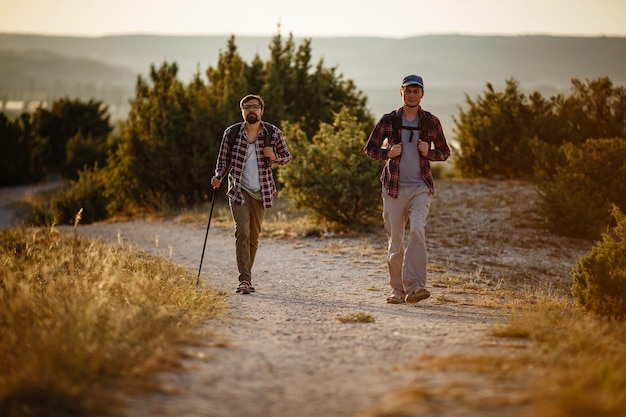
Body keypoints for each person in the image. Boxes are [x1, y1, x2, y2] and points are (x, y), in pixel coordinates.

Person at [364, 74, 450, 304]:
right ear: (401, 92)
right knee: (396, 241)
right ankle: (397, 291)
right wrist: (387, 153)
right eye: (408, 90)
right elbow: (369, 149)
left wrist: (428, 152)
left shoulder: (431, 122)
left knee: (417, 231)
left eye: (416, 91)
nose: (412, 94)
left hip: (420, 187)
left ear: (422, 94)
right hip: (393, 188)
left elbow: (445, 152)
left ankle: (415, 287)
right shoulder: (388, 120)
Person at [211, 94, 292, 294]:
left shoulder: (272, 132)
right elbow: (223, 161)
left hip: (262, 192)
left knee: (253, 238)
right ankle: (244, 280)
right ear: (242, 111)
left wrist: (274, 156)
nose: (251, 110)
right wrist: (218, 176)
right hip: (238, 190)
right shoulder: (232, 133)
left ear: (262, 110)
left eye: (255, 107)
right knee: (242, 232)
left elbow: (287, 157)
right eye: (247, 107)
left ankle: (247, 275)